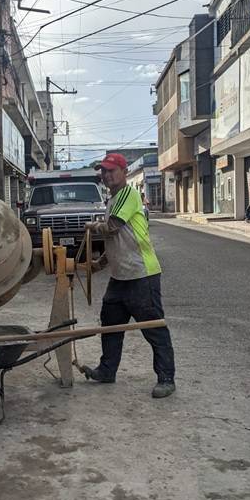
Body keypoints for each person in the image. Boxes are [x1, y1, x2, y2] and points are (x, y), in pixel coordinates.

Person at [82, 152, 176, 398]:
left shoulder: (129, 195)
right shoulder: (112, 200)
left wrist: (92, 227)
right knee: (110, 324)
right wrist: (99, 263)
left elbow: (113, 228)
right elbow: (118, 243)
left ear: (124, 172)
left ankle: (166, 378)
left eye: (111, 170)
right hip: (120, 277)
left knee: (153, 327)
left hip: (141, 274)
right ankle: (107, 370)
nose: (106, 175)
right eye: (103, 171)